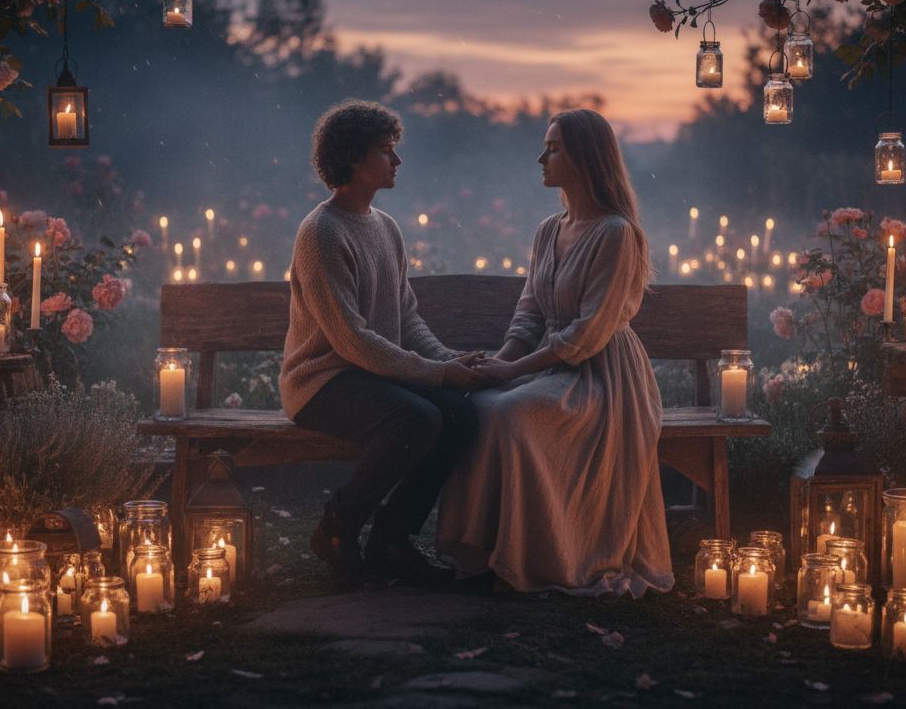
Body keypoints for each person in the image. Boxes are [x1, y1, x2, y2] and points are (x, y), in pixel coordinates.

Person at [435, 108, 674, 597]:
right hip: (548, 365)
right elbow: (528, 317)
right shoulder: (549, 230)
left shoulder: (615, 233)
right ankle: (483, 554)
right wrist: (497, 367)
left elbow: (588, 333)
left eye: (554, 147)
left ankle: (538, 557)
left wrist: (516, 371)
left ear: (586, 157)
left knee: (514, 415)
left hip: (603, 377)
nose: (541, 157)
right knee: (480, 405)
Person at [280, 99, 487, 591]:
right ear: (353, 158)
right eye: (386, 151)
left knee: (460, 413)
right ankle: (337, 528)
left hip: (369, 374)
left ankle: (392, 539)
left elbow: (406, 318)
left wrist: (448, 362)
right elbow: (350, 340)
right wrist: (437, 374)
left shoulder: (385, 227)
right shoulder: (321, 232)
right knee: (417, 418)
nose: (397, 161)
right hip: (322, 384)